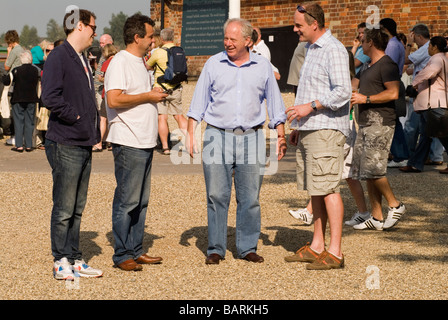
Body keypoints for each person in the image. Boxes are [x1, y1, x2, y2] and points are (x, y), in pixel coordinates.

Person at [186, 18, 287, 265]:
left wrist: (280, 135)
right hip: (216, 135)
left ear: (248, 41)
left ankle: (246, 247)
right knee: (216, 195)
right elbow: (198, 102)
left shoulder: (263, 66)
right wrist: (190, 133)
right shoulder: (213, 64)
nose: (227, 43)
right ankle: (216, 248)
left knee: (250, 197)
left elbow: (275, 103)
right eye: (226, 38)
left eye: (233, 39)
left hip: (252, 137)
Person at [283, 3, 351, 270]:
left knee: (329, 189)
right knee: (316, 190)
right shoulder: (311, 48)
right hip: (312, 128)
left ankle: (335, 253)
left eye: (299, 25)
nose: (294, 28)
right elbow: (311, 89)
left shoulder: (333, 49)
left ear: (314, 24)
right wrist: (300, 124)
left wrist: (308, 108)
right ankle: (317, 246)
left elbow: (343, 91)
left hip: (326, 129)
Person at [41, 8, 103, 280]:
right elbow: (50, 98)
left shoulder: (81, 58)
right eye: (92, 26)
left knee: (78, 205)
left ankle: (75, 258)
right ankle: (60, 260)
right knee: (65, 206)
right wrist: (77, 117)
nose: (95, 32)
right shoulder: (59, 56)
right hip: (65, 141)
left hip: (83, 141)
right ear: (79, 26)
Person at [105, 13, 168, 272]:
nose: (154, 40)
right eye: (150, 36)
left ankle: (136, 249)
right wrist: (148, 96)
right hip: (128, 140)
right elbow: (114, 100)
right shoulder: (120, 61)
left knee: (141, 201)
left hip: (144, 140)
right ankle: (122, 254)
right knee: (127, 200)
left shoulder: (140, 61)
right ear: (137, 37)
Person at [350, 28, 406, 231]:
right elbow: (352, 85)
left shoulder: (387, 64)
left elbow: (393, 93)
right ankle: (376, 216)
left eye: (362, 41)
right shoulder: (366, 66)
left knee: (374, 169)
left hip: (381, 122)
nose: (361, 44)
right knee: (366, 172)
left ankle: (395, 204)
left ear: (371, 42)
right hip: (364, 123)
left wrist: (365, 99)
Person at [405, 37, 448, 174]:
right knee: (426, 136)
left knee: (442, 134)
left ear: (435, 47)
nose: (428, 48)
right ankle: (415, 164)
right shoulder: (442, 58)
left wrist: (414, 83)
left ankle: (415, 164)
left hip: (434, 104)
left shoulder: (437, 59)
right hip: (431, 104)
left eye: (430, 46)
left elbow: (430, 72)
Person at [400, 24, 437, 173]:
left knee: (412, 128)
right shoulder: (429, 50)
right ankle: (416, 161)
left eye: (413, 37)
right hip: (424, 94)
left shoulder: (425, 49)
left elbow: (405, 59)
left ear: (418, 36)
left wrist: (408, 44)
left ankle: (408, 157)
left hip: (423, 95)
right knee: (426, 131)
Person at [147, 28, 188, 155]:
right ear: (173, 38)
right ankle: (191, 143)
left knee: (162, 118)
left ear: (162, 39)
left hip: (160, 89)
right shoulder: (179, 51)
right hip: (176, 88)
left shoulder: (158, 52)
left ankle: (165, 147)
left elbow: (148, 66)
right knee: (179, 116)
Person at [379, 18, 408, 169]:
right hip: (395, 82)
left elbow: (386, 66)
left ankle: (400, 155)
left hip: (391, 84)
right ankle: (398, 154)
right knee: (394, 122)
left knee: (393, 122)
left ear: (385, 29)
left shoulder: (391, 45)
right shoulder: (397, 43)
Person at [1, 51, 39, 152]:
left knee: (18, 122)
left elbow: (6, 81)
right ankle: (29, 145)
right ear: (30, 60)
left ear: (21, 60)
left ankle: (19, 145)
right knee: (29, 122)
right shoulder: (35, 70)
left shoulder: (16, 70)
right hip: (31, 99)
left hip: (18, 99)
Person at [2, 30, 25, 145]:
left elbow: (6, 67)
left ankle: (15, 136)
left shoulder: (14, 50)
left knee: (13, 110)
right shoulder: (22, 49)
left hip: (13, 82)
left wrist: (8, 52)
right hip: (22, 82)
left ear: (9, 41)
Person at [93, 34, 114, 152]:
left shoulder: (107, 60)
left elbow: (103, 76)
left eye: (103, 43)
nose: (101, 45)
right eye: (100, 43)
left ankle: (99, 143)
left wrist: (101, 78)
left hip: (104, 91)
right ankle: (109, 141)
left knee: (103, 117)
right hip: (104, 90)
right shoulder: (116, 58)